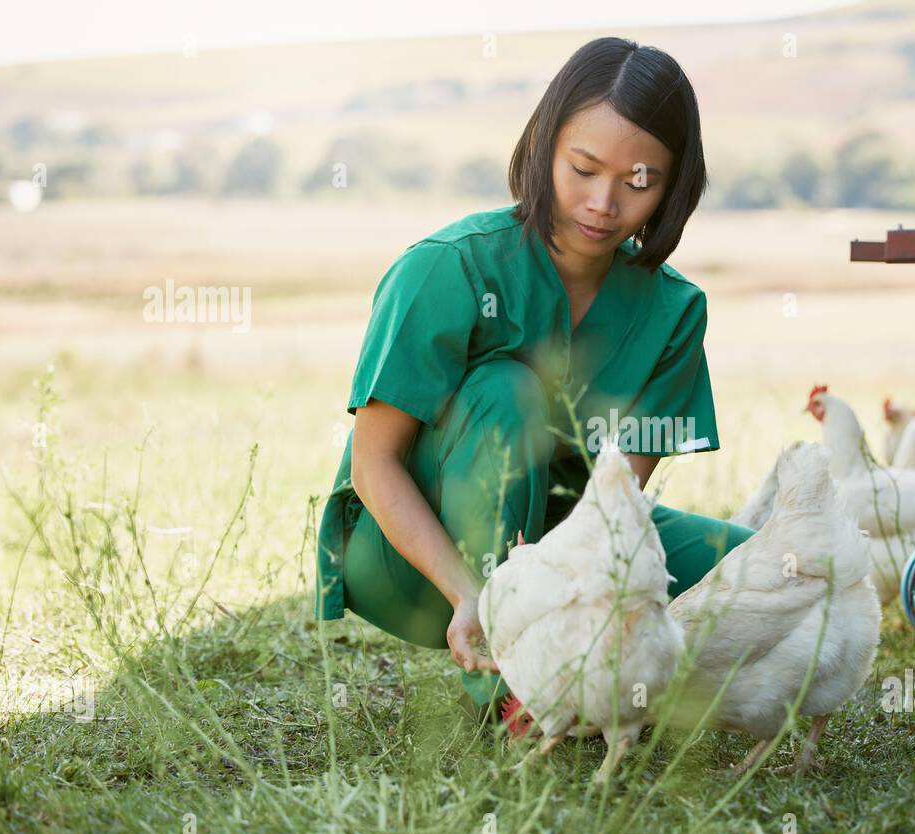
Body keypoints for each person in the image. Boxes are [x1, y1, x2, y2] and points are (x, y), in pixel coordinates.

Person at [314, 36, 754, 719]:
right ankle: (515, 684)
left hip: (559, 542)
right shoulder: (445, 268)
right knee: (506, 393)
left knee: (756, 568)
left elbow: (614, 511)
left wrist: (584, 609)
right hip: (411, 559)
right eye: (582, 168)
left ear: (674, 185)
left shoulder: (674, 311)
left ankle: (618, 678)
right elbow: (374, 466)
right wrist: (473, 595)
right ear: (544, 146)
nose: (604, 203)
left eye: (640, 181)